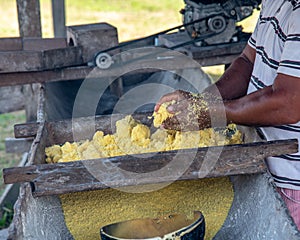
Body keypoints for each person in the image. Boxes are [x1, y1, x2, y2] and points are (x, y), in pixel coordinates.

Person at [154, 0, 300, 230]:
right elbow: (247, 61)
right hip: (264, 163)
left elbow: (287, 103)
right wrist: (201, 103)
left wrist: (210, 114)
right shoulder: (276, 2)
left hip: (293, 181)